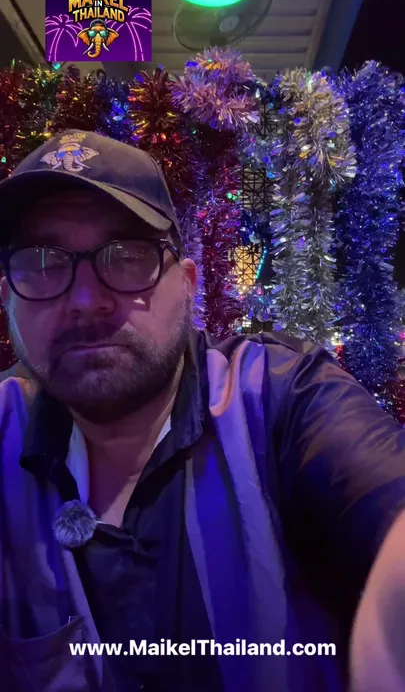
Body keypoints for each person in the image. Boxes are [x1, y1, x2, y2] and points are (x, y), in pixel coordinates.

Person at [0, 129, 405, 692]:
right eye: (42, 263)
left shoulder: (279, 397)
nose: (86, 300)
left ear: (188, 285)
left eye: (128, 256)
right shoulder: (5, 425)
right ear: (8, 300)